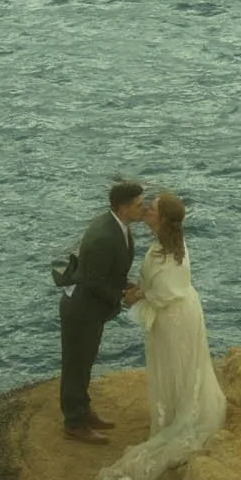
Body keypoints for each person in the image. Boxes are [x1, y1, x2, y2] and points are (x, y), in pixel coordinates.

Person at [97, 190, 226, 480]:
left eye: (152, 208)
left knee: (175, 366)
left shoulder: (165, 250)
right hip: (175, 314)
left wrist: (138, 295)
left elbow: (166, 291)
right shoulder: (166, 244)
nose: (147, 210)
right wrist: (139, 289)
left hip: (175, 318)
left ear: (163, 218)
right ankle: (172, 414)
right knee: (175, 367)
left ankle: (177, 419)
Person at [59, 179, 145, 442]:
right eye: (139, 205)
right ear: (123, 208)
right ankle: (74, 423)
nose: (144, 208)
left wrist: (123, 285)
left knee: (84, 362)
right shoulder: (104, 237)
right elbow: (92, 281)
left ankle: (83, 411)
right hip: (81, 310)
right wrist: (122, 297)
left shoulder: (117, 226)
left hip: (90, 307)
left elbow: (108, 272)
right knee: (77, 365)